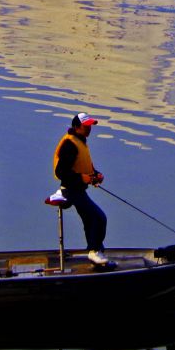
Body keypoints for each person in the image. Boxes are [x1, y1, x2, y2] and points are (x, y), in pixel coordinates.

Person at [51, 113, 109, 265]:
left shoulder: (80, 141)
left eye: (90, 126)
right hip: (71, 190)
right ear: (76, 127)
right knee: (99, 218)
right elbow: (61, 172)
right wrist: (80, 178)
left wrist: (95, 175)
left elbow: (83, 166)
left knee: (91, 219)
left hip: (79, 190)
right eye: (86, 126)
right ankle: (94, 251)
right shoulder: (70, 144)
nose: (89, 129)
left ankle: (97, 250)